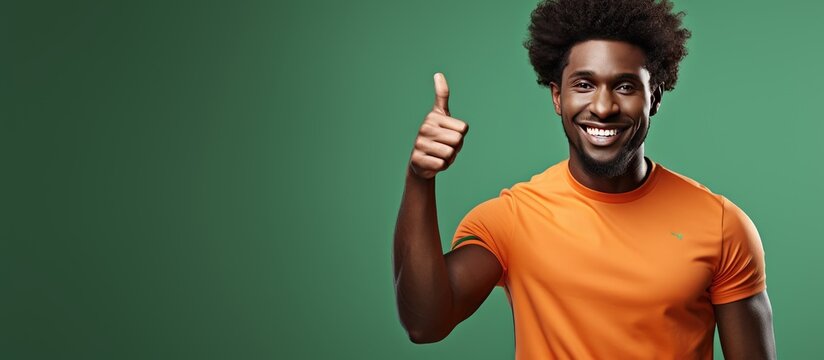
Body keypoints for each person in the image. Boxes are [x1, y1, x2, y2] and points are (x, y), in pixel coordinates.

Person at [393, 0, 776, 358]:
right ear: (557, 97)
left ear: (654, 97)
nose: (603, 107)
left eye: (625, 86)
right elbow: (424, 324)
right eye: (584, 84)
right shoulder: (512, 219)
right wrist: (419, 178)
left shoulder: (722, 225)